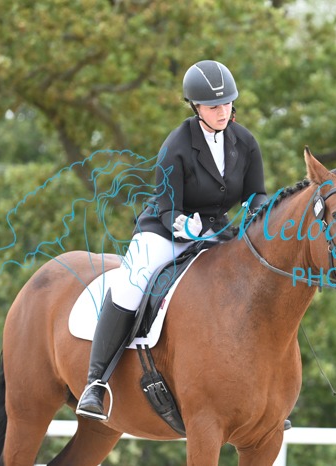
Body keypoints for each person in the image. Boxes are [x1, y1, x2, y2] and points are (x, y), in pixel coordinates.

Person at [76, 60, 269, 421]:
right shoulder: (177, 145)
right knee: (131, 284)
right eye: (213, 106)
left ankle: (260, 391)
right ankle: (96, 383)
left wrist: (259, 215)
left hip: (217, 232)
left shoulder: (244, 142)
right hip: (165, 230)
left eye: (227, 103)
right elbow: (167, 207)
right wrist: (185, 227)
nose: (222, 111)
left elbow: (256, 193)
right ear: (195, 107)